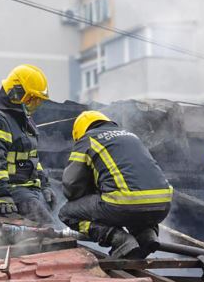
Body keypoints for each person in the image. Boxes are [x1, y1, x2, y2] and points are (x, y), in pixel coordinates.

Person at [59, 111, 173, 258]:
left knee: (67, 213)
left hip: (124, 203)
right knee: (135, 204)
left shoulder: (88, 139)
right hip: (162, 205)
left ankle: (119, 240)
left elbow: (71, 186)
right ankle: (146, 237)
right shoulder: (131, 136)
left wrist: (90, 193)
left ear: (79, 133)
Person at [0, 65, 56, 225]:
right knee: (47, 226)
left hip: (26, 188)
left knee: (58, 217)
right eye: (31, 99)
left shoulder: (22, 119)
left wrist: (45, 185)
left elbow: (32, 157)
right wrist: (2, 193)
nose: (33, 104)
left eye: (37, 101)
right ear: (15, 92)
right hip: (8, 189)